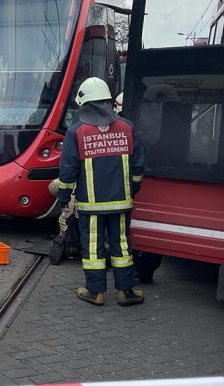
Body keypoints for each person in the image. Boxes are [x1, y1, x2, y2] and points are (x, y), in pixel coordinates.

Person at [56, 77, 145, 307]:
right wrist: (133, 188)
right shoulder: (127, 127)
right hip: (122, 202)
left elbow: (68, 169)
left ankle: (95, 292)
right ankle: (126, 291)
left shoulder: (77, 132)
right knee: (122, 245)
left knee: (93, 248)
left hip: (91, 206)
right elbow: (137, 167)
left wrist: (64, 197)